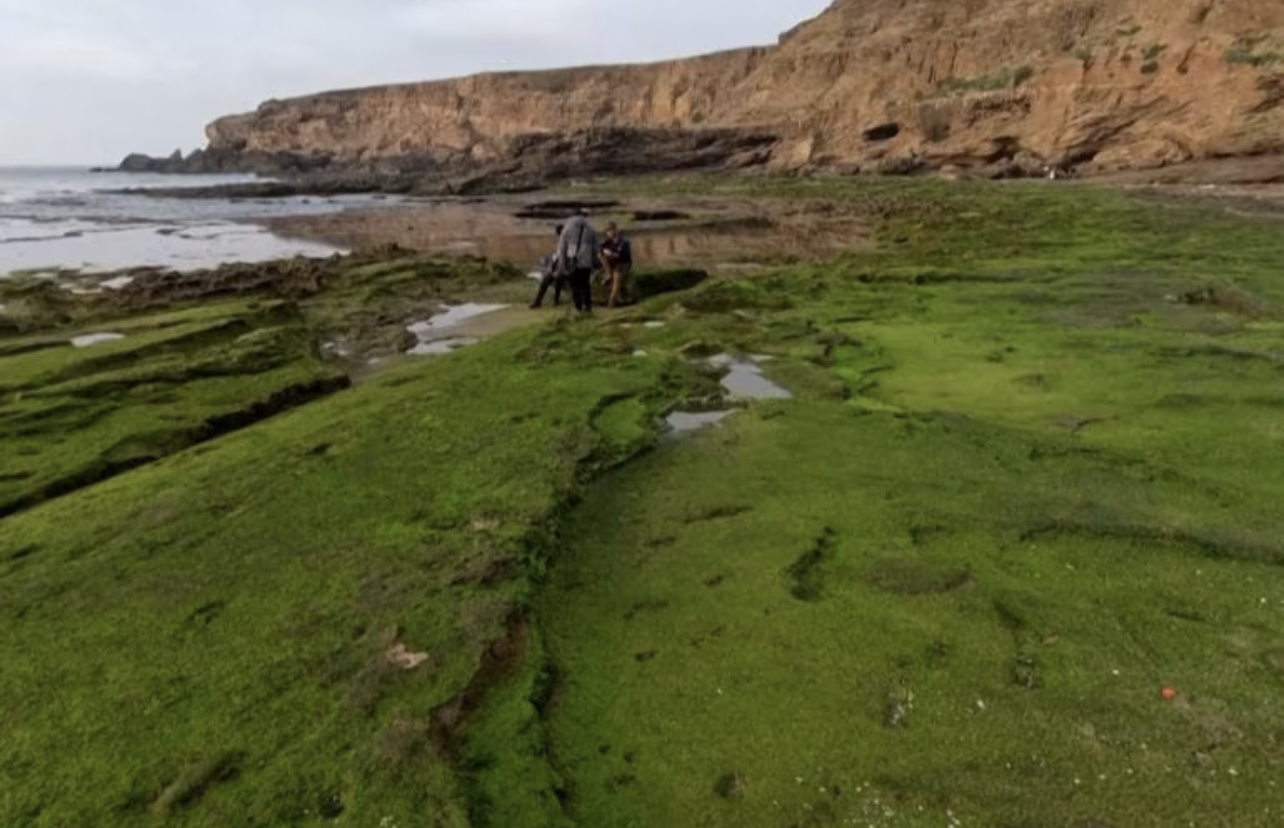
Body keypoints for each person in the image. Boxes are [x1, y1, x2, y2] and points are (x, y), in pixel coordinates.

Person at [556, 208, 599, 314]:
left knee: (575, 286)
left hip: (572, 260)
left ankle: (578, 308)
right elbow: (596, 248)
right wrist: (594, 262)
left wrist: (562, 264)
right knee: (585, 285)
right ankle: (588, 308)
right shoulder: (590, 228)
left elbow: (562, 247)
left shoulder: (568, 227)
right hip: (586, 261)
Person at [530, 224, 566, 308]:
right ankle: (538, 301)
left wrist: (556, 268)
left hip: (564, 267)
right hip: (559, 266)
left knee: (557, 277)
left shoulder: (566, 242)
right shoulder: (561, 242)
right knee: (547, 279)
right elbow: (557, 257)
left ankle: (555, 300)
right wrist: (553, 267)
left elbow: (562, 257)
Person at [599, 221, 633, 308]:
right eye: (607, 231)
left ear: (615, 230)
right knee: (600, 256)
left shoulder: (623, 242)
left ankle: (611, 303)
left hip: (622, 264)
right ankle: (608, 274)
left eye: (610, 230)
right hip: (612, 264)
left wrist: (610, 253)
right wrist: (604, 252)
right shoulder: (607, 242)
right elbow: (600, 249)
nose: (609, 233)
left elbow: (619, 255)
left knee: (616, 279)